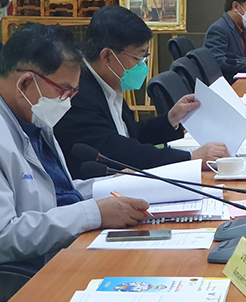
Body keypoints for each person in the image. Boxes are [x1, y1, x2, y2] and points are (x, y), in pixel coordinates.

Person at [0, 24, 149, 267]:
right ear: (25, 83)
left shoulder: (33, 119)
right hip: (31, 275)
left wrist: (111, 185)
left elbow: (55, 195)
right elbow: (5, 237)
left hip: (67, 250)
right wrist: (94, 213)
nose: (67, 103)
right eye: (64, 91)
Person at [55, 6, 229, 179]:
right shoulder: (77, 94)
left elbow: (131, 133)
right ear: (107, 56)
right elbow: (118, 150)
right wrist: (191, 158)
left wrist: (171, 119)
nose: (142, 65)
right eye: (138, 57)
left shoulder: (109, 81)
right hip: (98, 188)